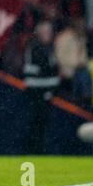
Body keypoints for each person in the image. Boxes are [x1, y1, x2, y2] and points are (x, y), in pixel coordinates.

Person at [23, 20, 60, 154]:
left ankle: (37, 155)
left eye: (50, 32)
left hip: (46, 97)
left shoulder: (49, 49)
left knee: (42, 130)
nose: (48, 35)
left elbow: (52, 73)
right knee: (34, 129)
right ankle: (30, 157)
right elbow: (31, 79)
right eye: (45, 32)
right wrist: (47, 91)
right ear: (39, 33)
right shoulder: (35, 48)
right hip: (36, 98)